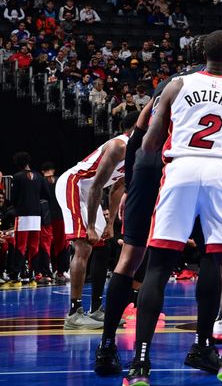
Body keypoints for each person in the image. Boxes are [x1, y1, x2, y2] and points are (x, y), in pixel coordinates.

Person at [123, 30, 222, 385]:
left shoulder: (175, 86)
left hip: (180, 171)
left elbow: (151, 143)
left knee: (157, 267)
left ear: (203, 55)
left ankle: (140, 364)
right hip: (220, 174)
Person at [94, 37, 222, 378]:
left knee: (130, 259)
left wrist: (133, 180)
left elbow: (139, 134)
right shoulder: (220, 85)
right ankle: (202, 346)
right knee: (211, 253)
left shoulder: (166, 84)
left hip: (147, 167)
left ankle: (108, 347)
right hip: (186, 171)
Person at [57, 113, 138, 329]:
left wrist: (110, 223)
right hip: (74, 185)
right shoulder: (118, 145)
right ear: (136, 127)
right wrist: (91, 226)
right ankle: (74, 313)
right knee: (83, 245)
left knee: (103, 246)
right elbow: (94, 187)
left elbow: (117, 188)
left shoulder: (137, 151)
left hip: (90, 192)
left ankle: (96, 309)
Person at [5, 152, 49, 287]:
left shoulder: (17, 177)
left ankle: (16, 275)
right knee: (34, 246)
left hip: (23, 215)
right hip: (36, 215)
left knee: (20, 245)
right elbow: (46, 194)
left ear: (18, 163)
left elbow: (13, 198)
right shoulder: (39, 177)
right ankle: (32, 275)